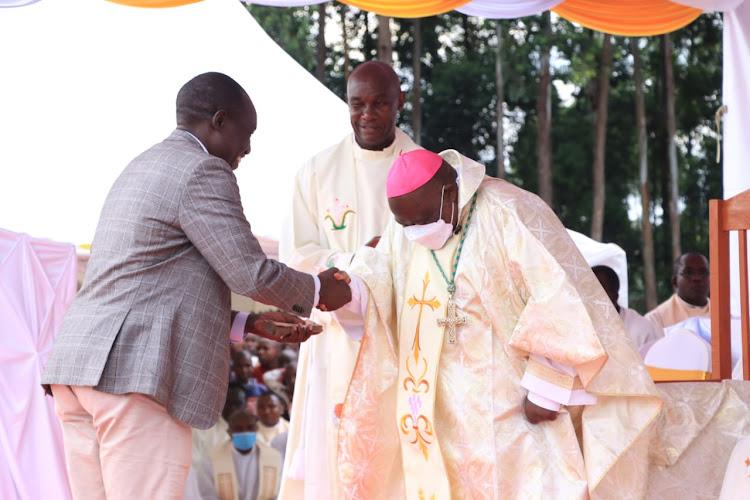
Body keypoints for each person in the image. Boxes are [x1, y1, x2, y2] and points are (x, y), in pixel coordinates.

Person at [40, 72, 351, 500]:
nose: (248, 149)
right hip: (132, 374)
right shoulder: (204, 170)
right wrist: (317, 291)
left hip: (80, 371)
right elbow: (248, 271)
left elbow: (148, 283)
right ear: (220, 121)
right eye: (248, 132)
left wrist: (248, 324)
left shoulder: (143, 164)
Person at [334, 149, 662, 499]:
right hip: (436, 413)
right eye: (405, 224)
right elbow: (381, 277)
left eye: (423, 218)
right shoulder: (407, 227)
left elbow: (560, 293)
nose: (415, 232)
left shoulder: (508, 210)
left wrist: (547, 388)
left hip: (511, 406)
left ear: (449, 189)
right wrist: (343, 290)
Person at [278, 60, 420, 499]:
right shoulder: (316, 172)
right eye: (357, 104)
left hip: (402, 334)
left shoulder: (425, 170)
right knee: (333, 458)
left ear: (400, 102)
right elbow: (296, 257)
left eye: (380, 103)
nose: (368, 114)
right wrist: (359, 259)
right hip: (336, 338)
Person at [208, 409, 283, 500]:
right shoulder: (213, 459)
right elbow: (207, 494)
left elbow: (280, 491)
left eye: (250, 427)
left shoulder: (274, 457)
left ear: (256, 429)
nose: (245, 432)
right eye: (238, 428)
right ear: (229, 432)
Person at [592, 265, 664, 358]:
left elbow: (654, 365)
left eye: (598, 293)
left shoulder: (641, 329)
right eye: (587, 291)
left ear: (614, 296)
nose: (591, 298)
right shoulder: (576, 326)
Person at [646, 252, 710, 329]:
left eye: (703, 272)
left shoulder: (724, 314)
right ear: (675, 281)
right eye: (688, 273)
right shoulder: (656, 320)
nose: (697, 278)